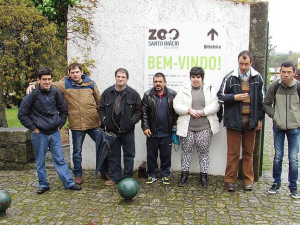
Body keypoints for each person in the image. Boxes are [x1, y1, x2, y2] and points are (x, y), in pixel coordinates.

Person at [26, 63, 110, 185]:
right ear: (69, 74)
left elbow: (100, 102)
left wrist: (100, 118)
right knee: (76, 151)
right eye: (72, 72)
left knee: (103, 145)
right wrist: (32, 84)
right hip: (76, 124)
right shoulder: (64, 84)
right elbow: (47, 83)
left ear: (81, 72)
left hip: (93, 123)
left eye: (77, 72)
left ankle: (104, 171)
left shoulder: (91, 84)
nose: (75, 74)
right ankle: (78, 174)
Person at [18, 68, 81, 194]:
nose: (47, 82)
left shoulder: (56, 92)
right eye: (44, 79)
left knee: (60, 159)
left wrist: (60, 125)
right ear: (38, 80)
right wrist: (34, 128)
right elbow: (22, 114)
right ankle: (43, 184)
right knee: (40, 160)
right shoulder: (32, 94)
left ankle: (68, 182)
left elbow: (63, 110)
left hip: (54, 132)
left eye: (49, 79)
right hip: (39, 133)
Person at [217, 50, 264, 192]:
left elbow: (261, 101)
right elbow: (219, 97)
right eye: (241, 63)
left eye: (246, 64)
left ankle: (248, 180)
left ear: (251, 63)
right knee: (233, 153)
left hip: (251, 122)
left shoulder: (257, 78)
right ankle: (229, 180)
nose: (243, 66)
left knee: (248, 153)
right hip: (233, 122)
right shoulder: (230, 77)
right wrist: (234, 97)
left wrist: (260, 118)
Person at [173, 67, 220, 187]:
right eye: (193, 77)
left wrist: (203, 112)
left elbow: (216, 104)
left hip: (204, 128)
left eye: (198, 77)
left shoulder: (209, 89)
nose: (195, 79)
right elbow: (176, 105)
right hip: (187, 128)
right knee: (186, 153)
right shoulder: (183, 90)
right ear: (190, 78)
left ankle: (203, 177)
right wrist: (188, 110)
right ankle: (184, 176)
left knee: (204, 153)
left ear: (202, 78)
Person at [263, 61, 300, 199]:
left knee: (293, 158)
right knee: (278, 156)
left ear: (293, 73)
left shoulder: (298, 87)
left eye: (288, 72)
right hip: (278, 126)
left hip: (295, 127)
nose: (285, 74)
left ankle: (293, 186)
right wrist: (275, 116)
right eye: (283, 72)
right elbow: (266, 104)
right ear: (280, 71)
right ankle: (276, 182)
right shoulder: (275, 86)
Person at [99, 68, 141, 186]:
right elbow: (101, 109)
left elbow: (138, 111)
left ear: (127, 79)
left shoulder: (133, 94)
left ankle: (128, 177)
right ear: (115, 77)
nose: (120, 79)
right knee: (113, 155)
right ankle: (115, 177)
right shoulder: (107, 93)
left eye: (123, 77)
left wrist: (131, 121)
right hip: (112, 131)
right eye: (118, 76)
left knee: (129, 155)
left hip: (127, 131)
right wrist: (104, 120)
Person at [141, 72, 178, 185]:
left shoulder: (172, 94)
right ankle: (151, 174)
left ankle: (165, 174)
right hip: (152, 132)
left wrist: (175, 123)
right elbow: (144, 113)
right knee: (151, 155)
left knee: (166, 155)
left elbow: (176, 111)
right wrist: (145, 127)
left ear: (165, 82)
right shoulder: (148, 95)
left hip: (167, 132)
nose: (158, 84)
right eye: (156, 81)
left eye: (160, 81)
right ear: (153, 82)